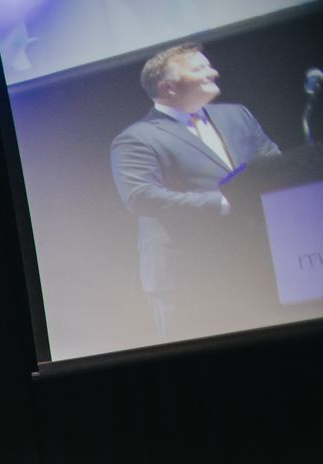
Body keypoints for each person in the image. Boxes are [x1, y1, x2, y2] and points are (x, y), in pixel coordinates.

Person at [110, 43, 281, 341]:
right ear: (168, 87)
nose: (212, 72)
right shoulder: (136, 138)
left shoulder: (236, 115)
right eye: (199, 68)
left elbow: (273, 162)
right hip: (188, 275)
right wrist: (223, 203)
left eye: (208, 65)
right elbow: (141, 197)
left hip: (255, 262)